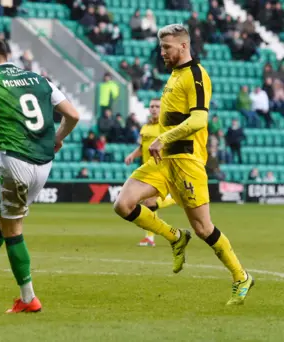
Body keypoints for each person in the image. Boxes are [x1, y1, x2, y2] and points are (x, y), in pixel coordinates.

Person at [113, 24, 253, 305]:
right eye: (161, 47)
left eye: (167, 47)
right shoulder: (175, 75)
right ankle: (175, 237)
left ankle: (241, 276)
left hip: (187, 160)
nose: (162, 52)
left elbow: (200, 120)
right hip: (163, 161)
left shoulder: (196, 76)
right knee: (123, 204)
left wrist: (163, 138)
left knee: (203, 229)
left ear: (183, 46)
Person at [0, 34, 80, 313]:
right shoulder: (40, 79)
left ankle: (28, 299)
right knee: (1, 221)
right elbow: (72, 115)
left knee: (12, 228)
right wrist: (58, 138)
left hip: (12, 160)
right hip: (43, 164)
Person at [124, 98, 177, 247]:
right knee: (148, 204)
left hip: (160, 169)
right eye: (152, 106)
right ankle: (173, 199)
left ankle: (150, 237)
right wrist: (132, 156)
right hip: (146, 169)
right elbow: (142, 148)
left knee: (148, 203)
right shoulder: (145, 127)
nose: (154, 109)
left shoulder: (165, 127)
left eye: (157, 106)